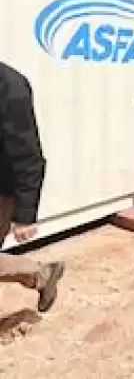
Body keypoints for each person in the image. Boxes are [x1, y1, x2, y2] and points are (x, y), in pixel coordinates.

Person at [0, 61, 65, 312]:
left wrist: (25, 215)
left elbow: (29, 156)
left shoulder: (9, 86)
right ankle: (41, 275)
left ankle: (39, 274)